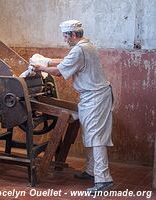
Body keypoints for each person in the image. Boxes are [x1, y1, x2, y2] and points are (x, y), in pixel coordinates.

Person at [31, 20, 114, 193]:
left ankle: (103, 180)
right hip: (94, 96)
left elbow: (60, 72)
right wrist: (46, 60)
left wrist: (40, 68)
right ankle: (92, 171)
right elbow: (65, 61)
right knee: (91, 134)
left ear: (74, 35)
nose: (64, 39)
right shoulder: (86, 45)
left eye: (66, 36)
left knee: (96, 138)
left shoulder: (80, 49)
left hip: (95, 97)